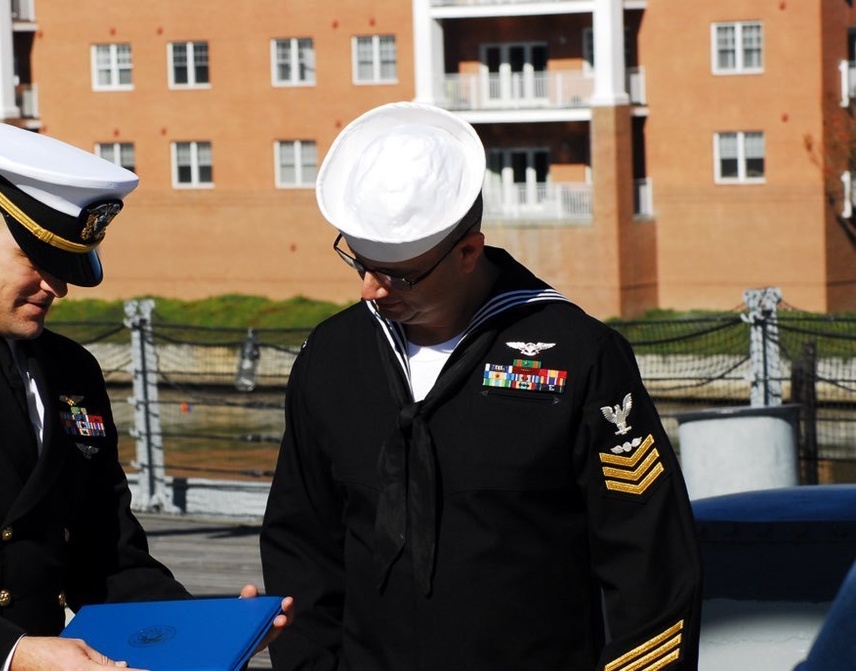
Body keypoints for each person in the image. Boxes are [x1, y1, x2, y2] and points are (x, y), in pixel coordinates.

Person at [259, 101, 702, 670]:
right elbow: (302, 540)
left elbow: (649, 561)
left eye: (398, 274)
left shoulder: (578, 357)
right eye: (358, 263)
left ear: (468, 251)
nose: (372, 290)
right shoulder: (333, 357)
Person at [0, 119, 290, 670]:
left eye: (65, 267)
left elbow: (106, 557)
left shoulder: (71, 370)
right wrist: (10, 655)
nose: (57, 286)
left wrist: (206, 631)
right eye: (37, 260)